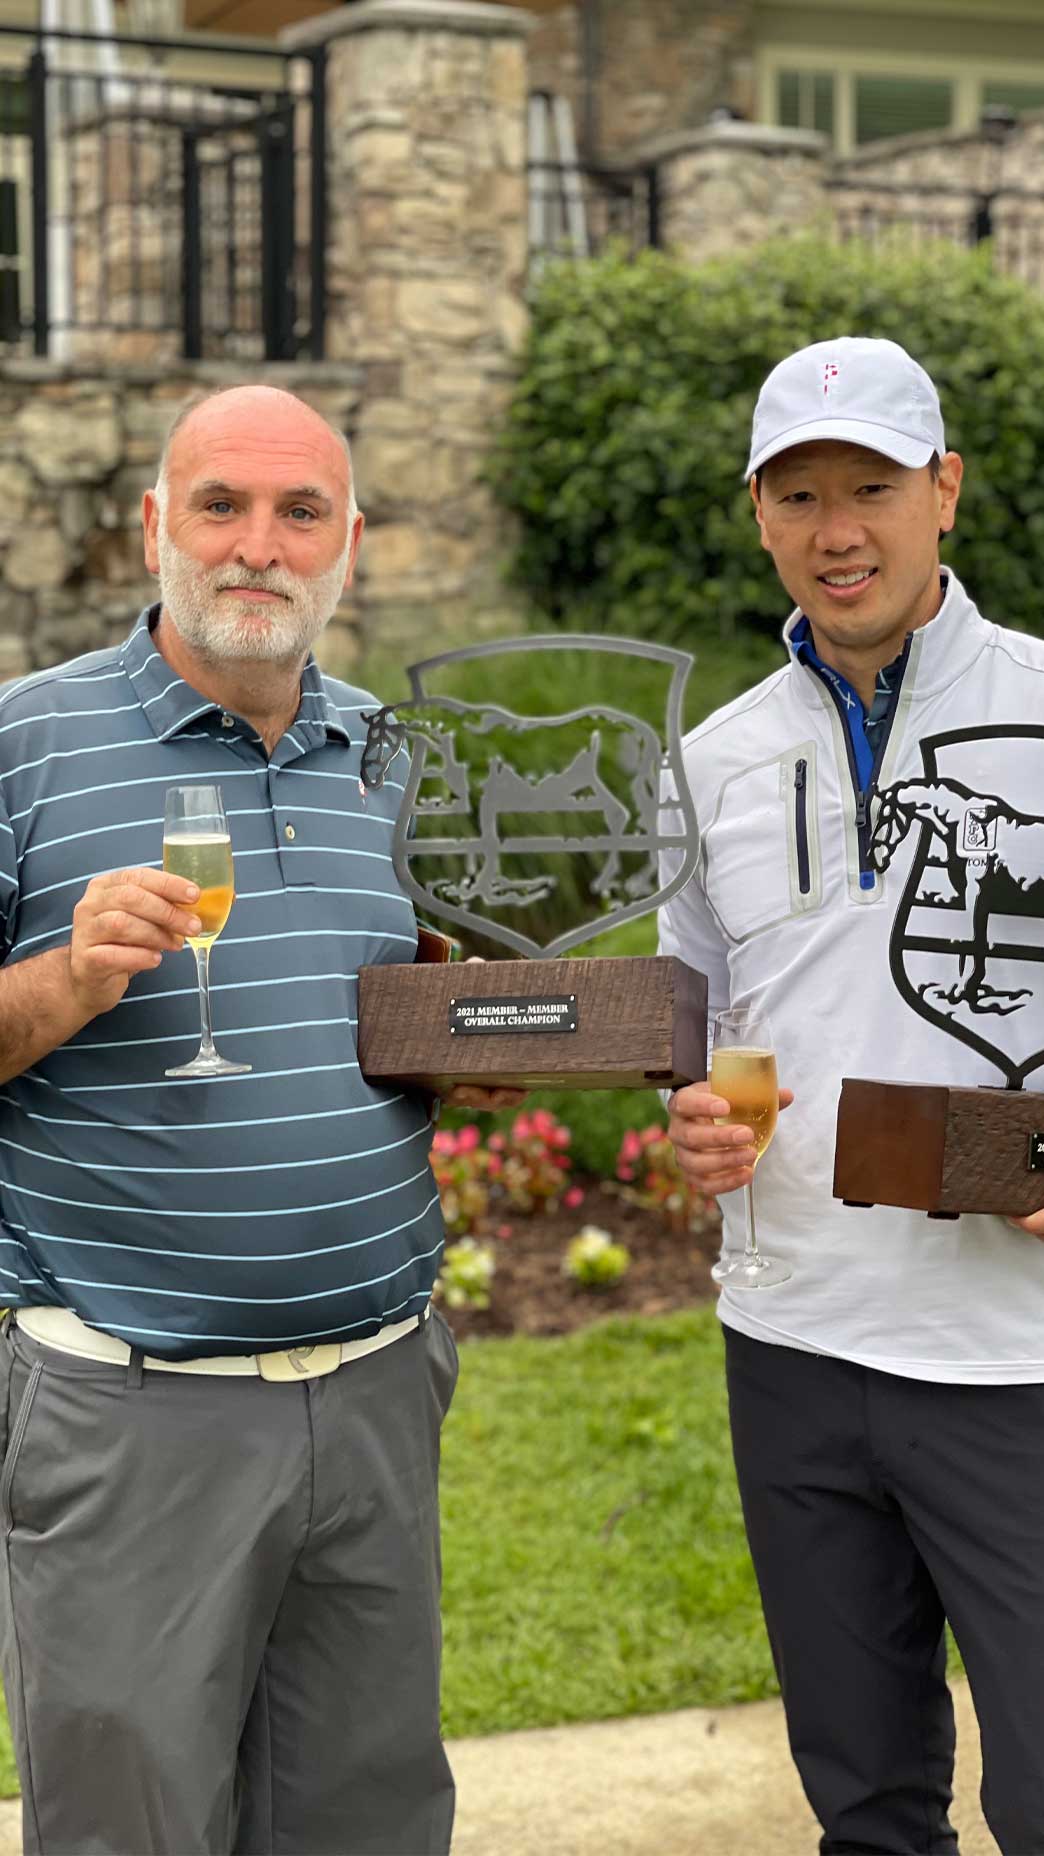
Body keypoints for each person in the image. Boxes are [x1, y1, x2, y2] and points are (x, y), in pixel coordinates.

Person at [0, 383, 520, 1856]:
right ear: (155, 525)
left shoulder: (388, 756)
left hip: (375, 1396)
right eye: (220, 506)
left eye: (300, 514)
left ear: (349, 542)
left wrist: (472, 1038)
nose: (258, 547)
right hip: (132, 1415)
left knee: (366, 1818)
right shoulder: (25, 745)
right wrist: (65, 977)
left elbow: (392, 1020)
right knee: (136, 1825)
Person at [660, 336, 1044, 1855]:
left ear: (944, 490)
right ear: (761, 517)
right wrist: (689, 1109)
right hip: (795, 1349)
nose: (839, 531)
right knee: (867, 1802)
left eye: (873, 487)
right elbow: (695, 1021)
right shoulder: (712, 760)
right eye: (801, 494)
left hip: (1014, 1355)